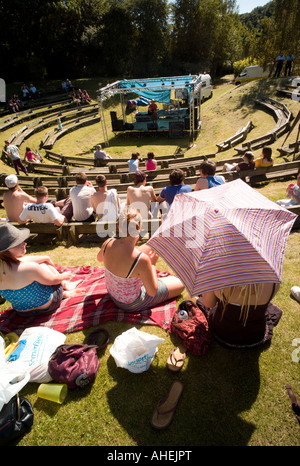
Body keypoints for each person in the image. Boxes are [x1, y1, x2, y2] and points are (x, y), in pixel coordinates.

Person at [97, 206, 185, 312]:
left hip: (113, 294)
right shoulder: (142, 260)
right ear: (139, 228)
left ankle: (163, 234)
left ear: (119, 226)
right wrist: (152, 264)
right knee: (180, 283)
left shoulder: (107, 243)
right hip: (130, 303)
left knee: (149, 246)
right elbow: (152, 292)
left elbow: (100, 258)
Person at [0, 223, 85, 316]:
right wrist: (64, 276)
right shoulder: (30, 267)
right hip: (47, 306)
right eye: (18, 242)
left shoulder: (4, 264)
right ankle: (65, 286)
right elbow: (53, 281)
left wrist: (46, 257)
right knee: (43, 266)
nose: (25, 243)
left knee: (42, 264)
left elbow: (20, 262)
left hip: (22, 312)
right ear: (7, 250)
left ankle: (65, 291)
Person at [197, 281, 281, 348]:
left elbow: (209, 304)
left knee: (202, 298)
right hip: (256, 335)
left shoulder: (218, 277)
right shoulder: (273, 279)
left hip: (223, 333)